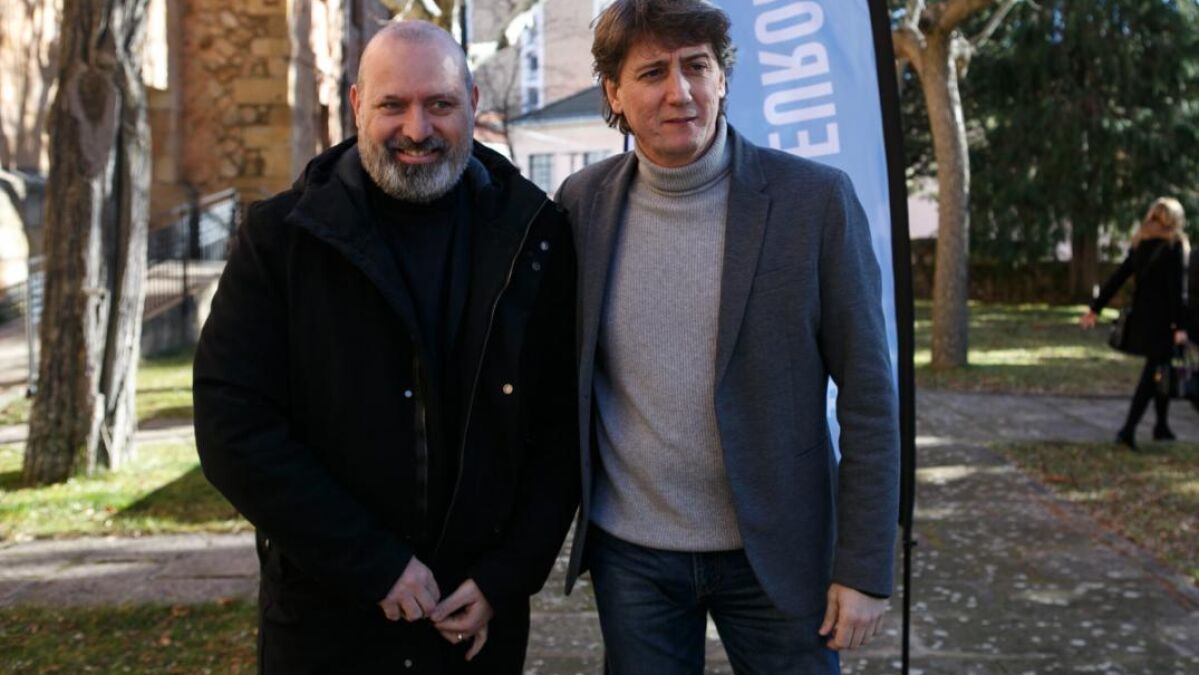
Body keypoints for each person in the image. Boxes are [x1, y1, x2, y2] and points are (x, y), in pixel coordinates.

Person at [193, 21, 578, 674]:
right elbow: (232, 425)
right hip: (327, 618)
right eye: (392, 105)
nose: (417, 129)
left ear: (473, 102)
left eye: (439, 104)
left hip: (473, 621)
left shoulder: (534, 235)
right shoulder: (281, 239)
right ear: (356, 105)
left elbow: (560, 429)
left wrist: (505, 577)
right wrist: (373, 563)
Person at [554, 1, 900, 672]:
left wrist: (863, 568)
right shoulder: (580, 204)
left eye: (697, 66)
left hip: (780, 551)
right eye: (652, 72)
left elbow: (869, 397)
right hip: (633, 557)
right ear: (614, 94)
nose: (679, 92)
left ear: (723, 77)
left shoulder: (814, 202)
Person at [1081, 197, 1189, 449]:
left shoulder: (1141, 244)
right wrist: (1181, 326)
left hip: (1142, 318)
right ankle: (1127, 431)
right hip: (1164, 322)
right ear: (1175, 219)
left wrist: (1095, 309)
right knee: (1152, 374)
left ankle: (1161, 426)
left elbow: (1118, 278)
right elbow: (1177, 291)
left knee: (1162, 369)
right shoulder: (1174, 246)